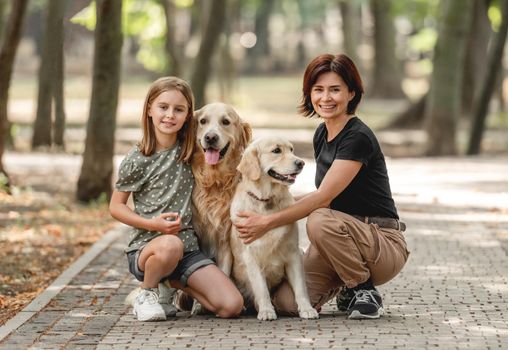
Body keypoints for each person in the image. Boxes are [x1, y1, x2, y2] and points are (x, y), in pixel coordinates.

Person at [235, 54, 409, 319]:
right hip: (338, 242)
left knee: (317, 219)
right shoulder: (322, 134)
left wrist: (266, 222)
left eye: (335, 90)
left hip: (381, 242)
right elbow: (323, 195)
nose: (325, 98)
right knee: (287, 303)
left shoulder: (357, 136)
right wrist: (263, 207)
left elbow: (323, 198)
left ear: (351, 93)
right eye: (318, 90)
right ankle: (347, 286)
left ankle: (363, 289)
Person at [110, 76, 243, 322]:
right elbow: (116, 207)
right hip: (149, 249)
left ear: (188, 117)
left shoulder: (192, 150)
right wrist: (153, 225)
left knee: (231, 306)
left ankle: (173, 285)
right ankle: (146, 292)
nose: (170, 115)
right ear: (149, 109)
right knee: (170, 244)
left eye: (179, 109)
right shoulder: (137, 158)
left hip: (189, 252)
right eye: (163, 107)